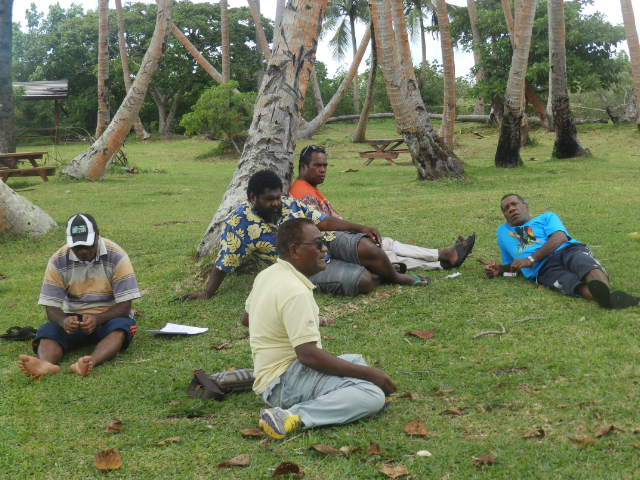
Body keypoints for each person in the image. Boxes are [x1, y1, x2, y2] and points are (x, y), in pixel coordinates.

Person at [246, 218, 396, 439]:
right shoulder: (295, 291)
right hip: (284, 383)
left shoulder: (269, 274)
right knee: (371, 394)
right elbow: (309, 356)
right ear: (295, 250)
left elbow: (247, 318)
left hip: (274, 374)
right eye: (317, 244)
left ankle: (351, 394)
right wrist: (372, 375)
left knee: (354, 360)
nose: (324, 249)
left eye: (323, 242)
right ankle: (290, 416)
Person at [184, 169, 432, 299]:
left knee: (370, 248)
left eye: (278, 197)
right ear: (252, 198)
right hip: (301, 268)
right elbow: (225, 263)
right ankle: (386, 275)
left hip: (325, 243)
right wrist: (207, 293)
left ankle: (396, 277)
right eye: (269, 199)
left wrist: (360, 228)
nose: (276, 203)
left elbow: (324, 221)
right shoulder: (238, 224)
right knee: (364, 281)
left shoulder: (290, 203)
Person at [289, 145, 475, 271]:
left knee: (388, 246)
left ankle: (443, 258)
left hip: (343, 239)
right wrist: (358, 232)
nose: (323, 170)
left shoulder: (309, 189)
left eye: (325, 166)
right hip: (335, 246)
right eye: (317, 166)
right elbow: (320, 227)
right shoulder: (301, 192)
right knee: (386, 250)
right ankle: (443, 259)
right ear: (304, 167)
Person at [18, 213, 141, 379]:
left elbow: (125, 306)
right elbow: (51, 308)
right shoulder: (58, 260)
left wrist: (97, 319)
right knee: (47, 330)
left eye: (88, 245)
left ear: (98, 234)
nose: (83, 251)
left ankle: (89, 362)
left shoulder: (117, 256)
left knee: (121, 329)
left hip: (109, 317)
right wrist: (64, 321)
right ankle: (46, 364)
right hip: (74, 319)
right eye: (77, 247)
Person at [484, 193, 639, 309]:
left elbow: (560, 238)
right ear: (504, 215)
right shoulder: (503, 233)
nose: (511, 209)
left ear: (526, 206)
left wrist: (531, 259)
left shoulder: (546, 217)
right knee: (569, 283)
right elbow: (514, 267)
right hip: (543, 270)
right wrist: (500, 270)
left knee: (584, 263)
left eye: (514, 204)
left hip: (567, 250)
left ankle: (604, 291)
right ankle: (607, 300)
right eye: (506, 208)